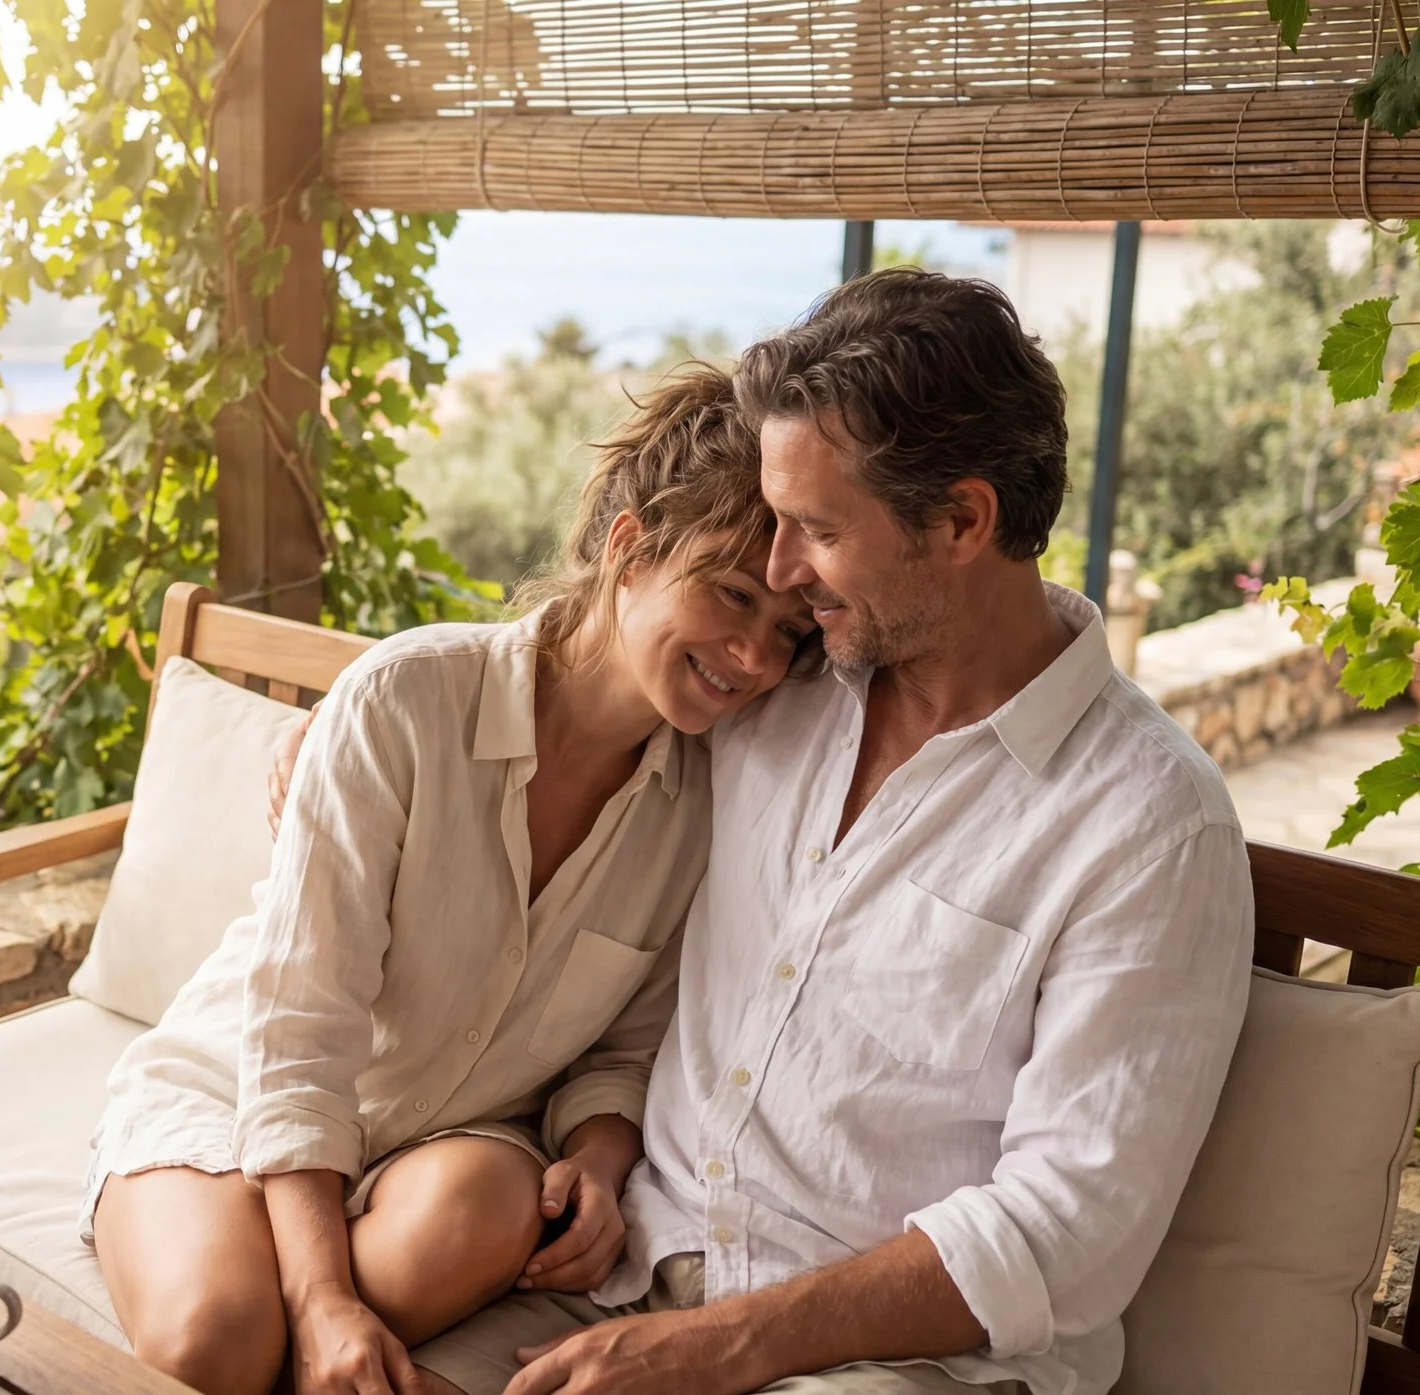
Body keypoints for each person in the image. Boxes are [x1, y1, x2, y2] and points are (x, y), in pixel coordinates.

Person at [289, 270, 1256, 1395]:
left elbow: (1068, 1229)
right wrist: (323, 739)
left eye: (814, 530)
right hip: (623, 1276)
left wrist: (721, 1347)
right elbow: (575, 672)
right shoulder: (772, 696)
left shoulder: (1147, 825)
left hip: (900, 1365)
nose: (781, 571)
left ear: (961, 520)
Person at [84, 365, 821, 1395]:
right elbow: (301, 1027)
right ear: (628, 549)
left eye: (788, 632)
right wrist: (325, 1300)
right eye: (730, 594)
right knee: (220, 1337)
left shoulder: (706, 803)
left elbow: (623, 1050)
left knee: (473, 1220)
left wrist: (602, 1166)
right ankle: (270, 1286)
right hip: (238, 1093)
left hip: (450, 1148)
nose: (752, 654)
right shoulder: (405, 701)